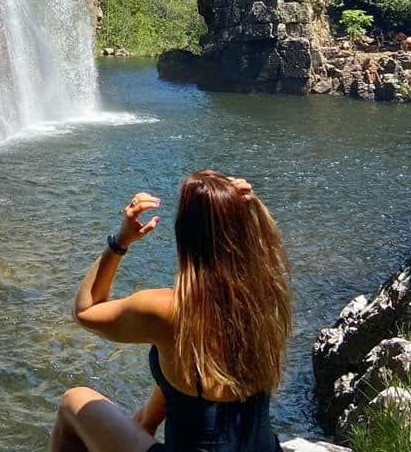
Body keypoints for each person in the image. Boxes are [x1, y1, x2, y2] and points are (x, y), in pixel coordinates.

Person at [51, 170, 292, 451]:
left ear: (185, 232)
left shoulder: (170, 310)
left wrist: (121, 241)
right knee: (147, 415)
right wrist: (245, 210)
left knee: (74, 401)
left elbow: (85, 310)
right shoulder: (267, 295)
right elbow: (161, 405)